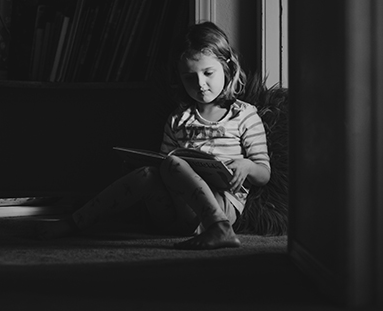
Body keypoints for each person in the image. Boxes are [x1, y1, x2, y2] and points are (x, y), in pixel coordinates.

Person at [38, 21, 271, 249]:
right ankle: (76, 222)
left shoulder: (244, 115)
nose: (200, 84)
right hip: (176, 213)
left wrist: (247, 167)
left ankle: (219, 228)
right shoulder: (178, 118)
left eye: (208, 73)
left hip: (221, 206)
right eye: (190, 77)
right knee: (150, 172)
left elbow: (264, 173)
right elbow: (164, 167)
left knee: (172, 164)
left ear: (227, 67)